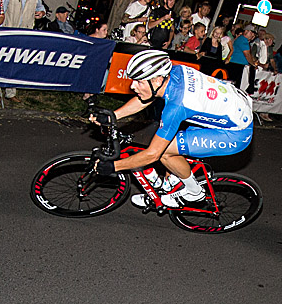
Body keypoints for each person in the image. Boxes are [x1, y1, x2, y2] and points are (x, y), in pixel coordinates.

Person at [91, 49, 254, 209]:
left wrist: (114, 166)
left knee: (164, 152)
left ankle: (194, 191)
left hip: (235, 133)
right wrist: (113, 116)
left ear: (156, 80)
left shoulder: (176, 107)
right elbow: (148, 96)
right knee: (173, 145)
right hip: (229, 108)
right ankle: (167, 187)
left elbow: (152, 155)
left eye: (139, 81)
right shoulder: (175, 71)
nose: (133, 86)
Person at [0, 0, 46, 102]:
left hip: (24, 32)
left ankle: (11, 92)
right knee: (2, 61)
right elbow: (2, 9)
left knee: (16, 62)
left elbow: (40, 7)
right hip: (9, 31)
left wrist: (41, 13)